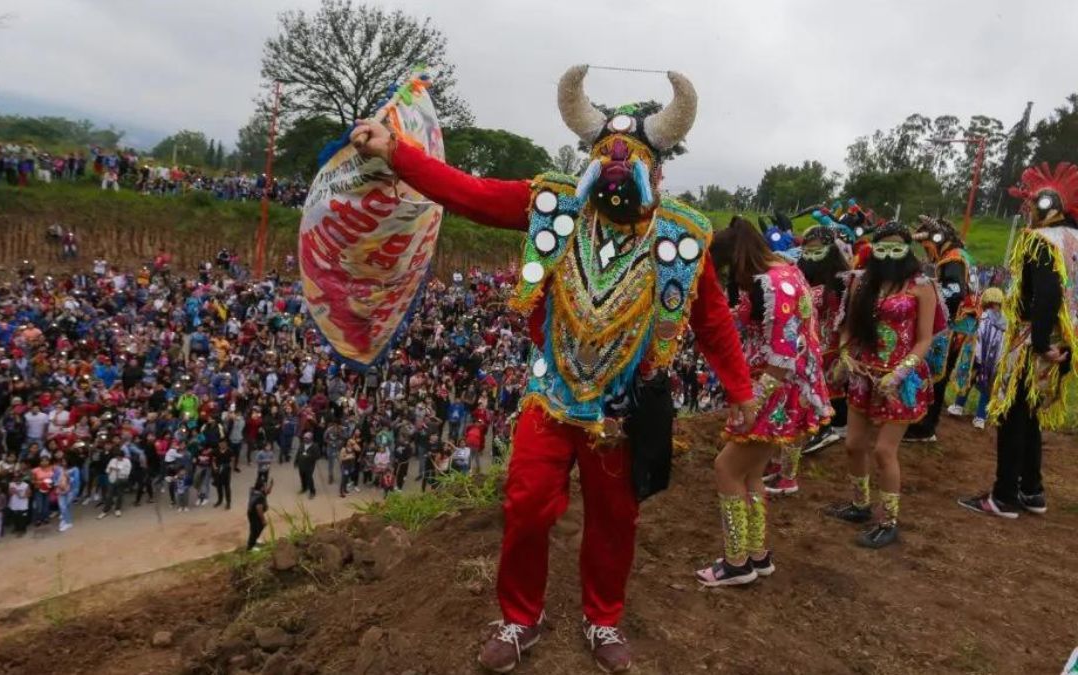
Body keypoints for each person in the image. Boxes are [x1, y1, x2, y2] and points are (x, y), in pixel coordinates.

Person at [349, 64, 753, 673]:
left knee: (616, 518)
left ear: (660, 172)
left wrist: (740, 389)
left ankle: (604, 619)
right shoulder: (551, 206)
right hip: (553, 390)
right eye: (606, 158)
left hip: (622, 407)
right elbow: (470, 192)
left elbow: (713, 320)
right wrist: (398, 151)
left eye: (634, 161)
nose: (618, 169)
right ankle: (518, 618)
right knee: (527, 503)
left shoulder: (684, 237)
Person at [695, 218, 831, 586]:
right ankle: (756, 555)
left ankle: (736, 560)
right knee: (751, 472)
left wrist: (750, 400)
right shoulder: (788, 272)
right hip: (781, 390)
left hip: (773, 390)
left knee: (726, 468)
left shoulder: (775, 285)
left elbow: (782, 360)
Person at [960, 162, 1078, 518]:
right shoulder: (1073, 241)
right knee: (1029, 416)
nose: (1028, 213)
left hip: (1034, 339)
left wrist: (1039, 341)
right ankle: (1032, 490)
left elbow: (1048, 293)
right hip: (1062, 340)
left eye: (1032, 206)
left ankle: (1004, 495)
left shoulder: (1039, 241)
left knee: (1012, 416)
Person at [827, 222, 943, 548]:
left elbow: (924, 340)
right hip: (863, 375)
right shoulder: (861, 283)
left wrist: (900, 373)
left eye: (896, 247)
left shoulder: (922, 287)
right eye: (882, 247)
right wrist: (847, 355)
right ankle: (860, 504)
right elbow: (848, 327)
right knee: (852, 445)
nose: (888, 253)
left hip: (900, 380)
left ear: (908, 250)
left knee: (883, 451)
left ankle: (889, 521)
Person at [904, 216, 978, 442]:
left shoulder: (952, 260)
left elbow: (953, 292)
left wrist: (925, 302)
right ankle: (926, 425)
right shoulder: (961, 256)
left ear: (938, 240)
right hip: (962, 326)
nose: (927, 253)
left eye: (927, 247)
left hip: (952, 327)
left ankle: (925, 428)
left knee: (936, 375)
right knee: (938, 375)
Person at [798, 224, 855, 455]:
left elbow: (848, 315)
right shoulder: (799, 274)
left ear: (830, 249)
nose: (811, 255)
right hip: (808, 339)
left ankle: (828, 428)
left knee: (830, 384)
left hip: (832, 339)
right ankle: (825, 427)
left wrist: (845, 349)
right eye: (807, 250)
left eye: (817, 249)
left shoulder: (842, 280)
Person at [946, 287, 1006, 429]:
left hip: (977, 357)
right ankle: (980, 417)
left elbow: (975, 336)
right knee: (986, 387)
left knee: (968, 380)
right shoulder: (1005, 322)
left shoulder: (983, 317)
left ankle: (959, 406)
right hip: (992, 361)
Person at [99, 450, 132, 519]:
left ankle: (117, 509)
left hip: (121, 480)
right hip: (112, 479)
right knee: (109, 495)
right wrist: (110, 470)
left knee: (120, 495)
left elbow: (127, 472)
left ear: (123, 456)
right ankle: (105, 510)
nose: (118, 458)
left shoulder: (127, 461)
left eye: (119, 457)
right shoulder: (112, 460)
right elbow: (107, 469)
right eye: (117, 457)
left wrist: (117, 469)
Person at [246, 477, 272, 552]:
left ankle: (254, 542)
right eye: (264, 486)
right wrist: (263, 520)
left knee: (258, 528)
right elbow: (259, 509)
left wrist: (271, 485)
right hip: (255, 515)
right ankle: (250, 547)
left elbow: (267, 492)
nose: (265, 488)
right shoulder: (259, 497)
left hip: (251, 513)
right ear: (261, 488)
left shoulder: (254, 491)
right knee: (255, 530)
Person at [295, 431, 319, 499]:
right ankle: (304, 488)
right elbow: (298, 453)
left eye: (307, 438)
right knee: (302, 477)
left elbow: (317, 456)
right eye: (304, 438)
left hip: (309, 466)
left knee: (309, 478)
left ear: (311, 439)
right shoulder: (302, 444)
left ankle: (312, 491)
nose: (305, 439)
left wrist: (309, 456)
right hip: (301, 465)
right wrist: (296, 462)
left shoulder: (315, 446)